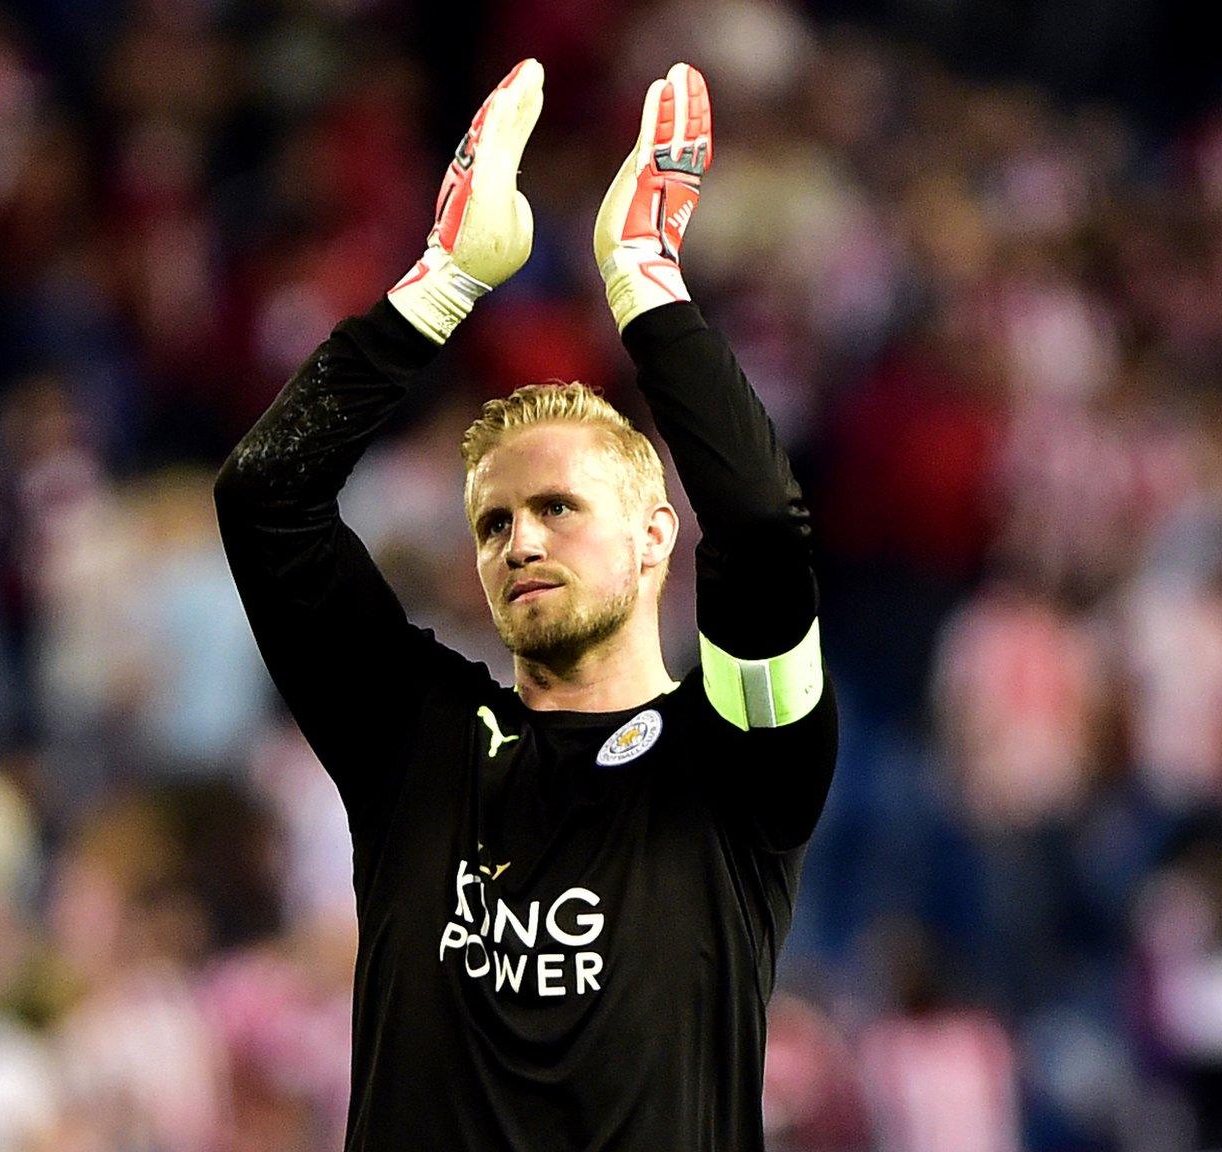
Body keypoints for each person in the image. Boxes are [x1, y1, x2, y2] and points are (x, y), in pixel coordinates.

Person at [213, 57, 837, 1150]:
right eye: (494, 523)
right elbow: (265, 500)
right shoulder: (415, 743)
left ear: (655, 538)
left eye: (557, 506)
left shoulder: (740, 764)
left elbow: (759, 524)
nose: (519, 541)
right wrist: (442, 282)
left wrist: (643, 279)